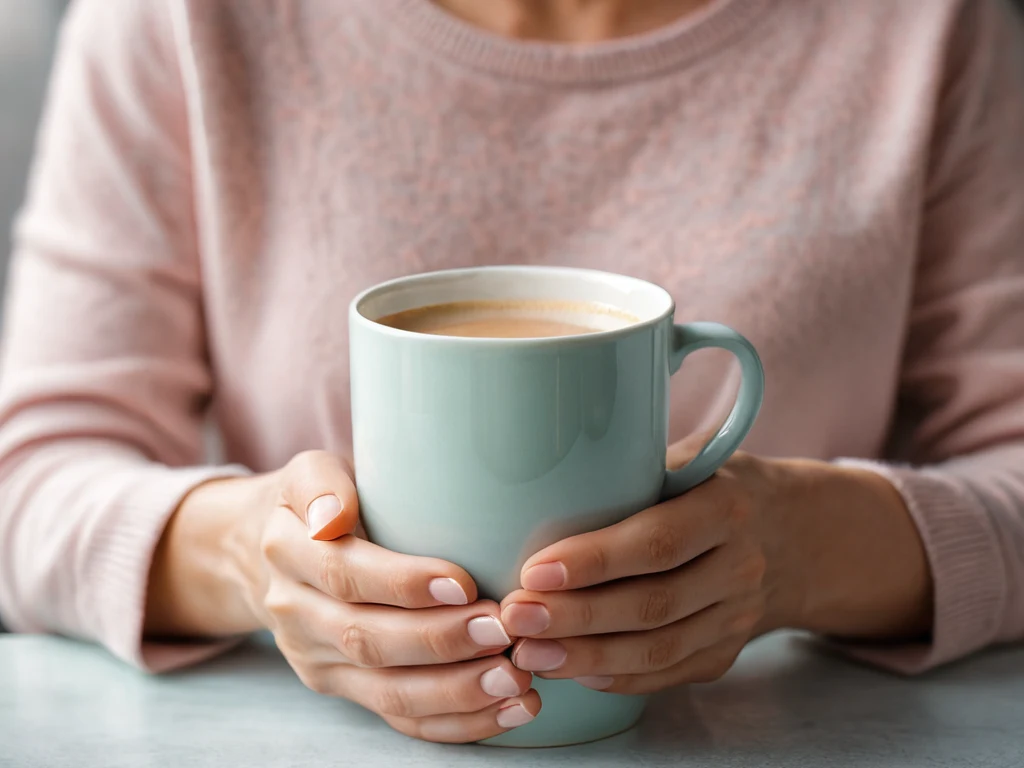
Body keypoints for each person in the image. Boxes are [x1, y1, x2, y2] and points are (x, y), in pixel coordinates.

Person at [1, 0, 1023, 745]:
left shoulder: (927, 27)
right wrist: (257, 563)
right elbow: (25, 482)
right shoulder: (180, 18)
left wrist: (803, 550)